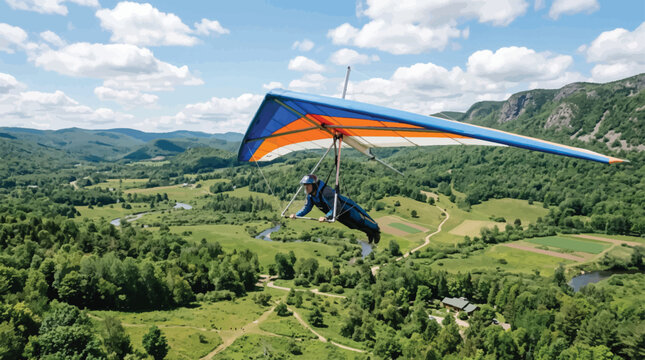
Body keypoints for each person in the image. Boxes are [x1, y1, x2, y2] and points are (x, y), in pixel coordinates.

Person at [289, 174, 381, 244]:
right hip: (337, 213)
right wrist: (297, 215)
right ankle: (370, 233)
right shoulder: (311, 196)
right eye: (305, 185)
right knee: (353, 226)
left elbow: (337, 206)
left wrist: (326, 217)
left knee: (361, 220)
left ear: (315, 185)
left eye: (308, 185)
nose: (306, 187)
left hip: (346, 208)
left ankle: (376, 231)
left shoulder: (326, 192)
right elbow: (307, 208)